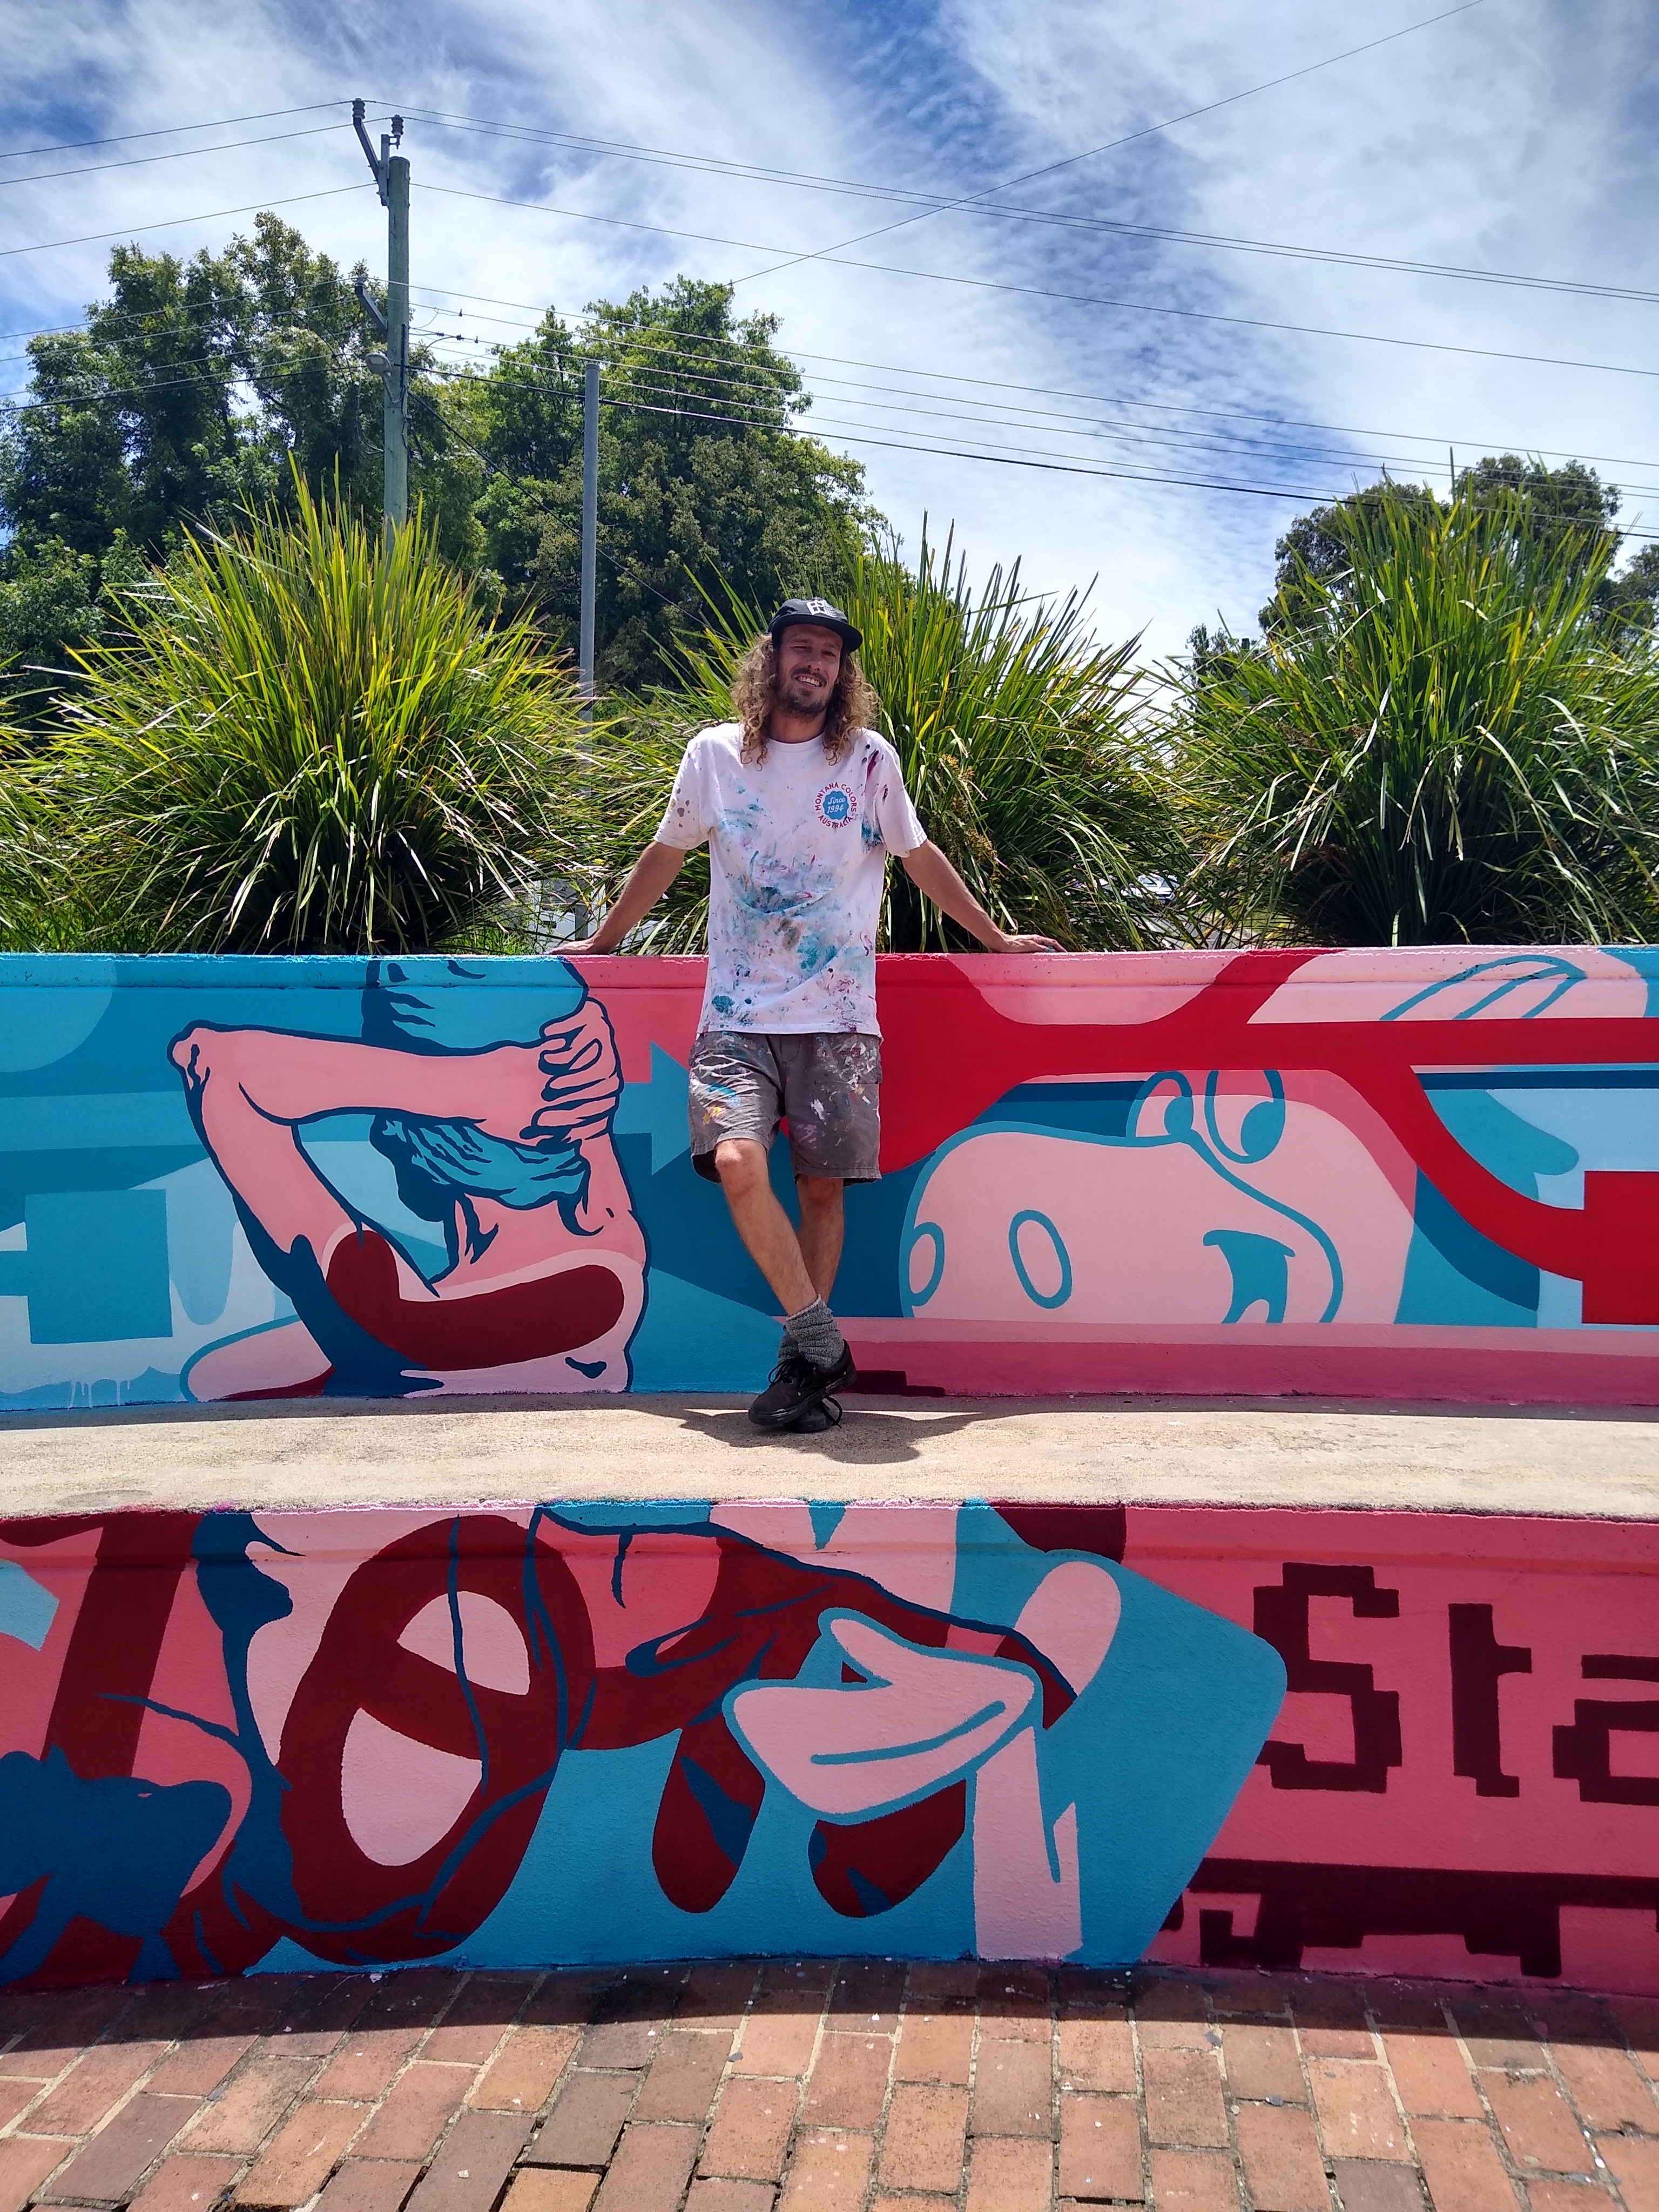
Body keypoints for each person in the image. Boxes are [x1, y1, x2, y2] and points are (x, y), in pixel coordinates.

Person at [567, 596, 1058, 1431]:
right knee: (735, 1161)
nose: (816, 665)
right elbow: (666, 852)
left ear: (843, 672)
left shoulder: (868, 762)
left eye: (829, 654)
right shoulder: (715, 757)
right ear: (773, 659)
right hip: (736, 1017)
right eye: (802, 649)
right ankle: (819, 1335)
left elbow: (918, 856)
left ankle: (805, 1377)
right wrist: (605, 942)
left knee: (822, 1191)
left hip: (837, 1017)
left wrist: (997, 941)